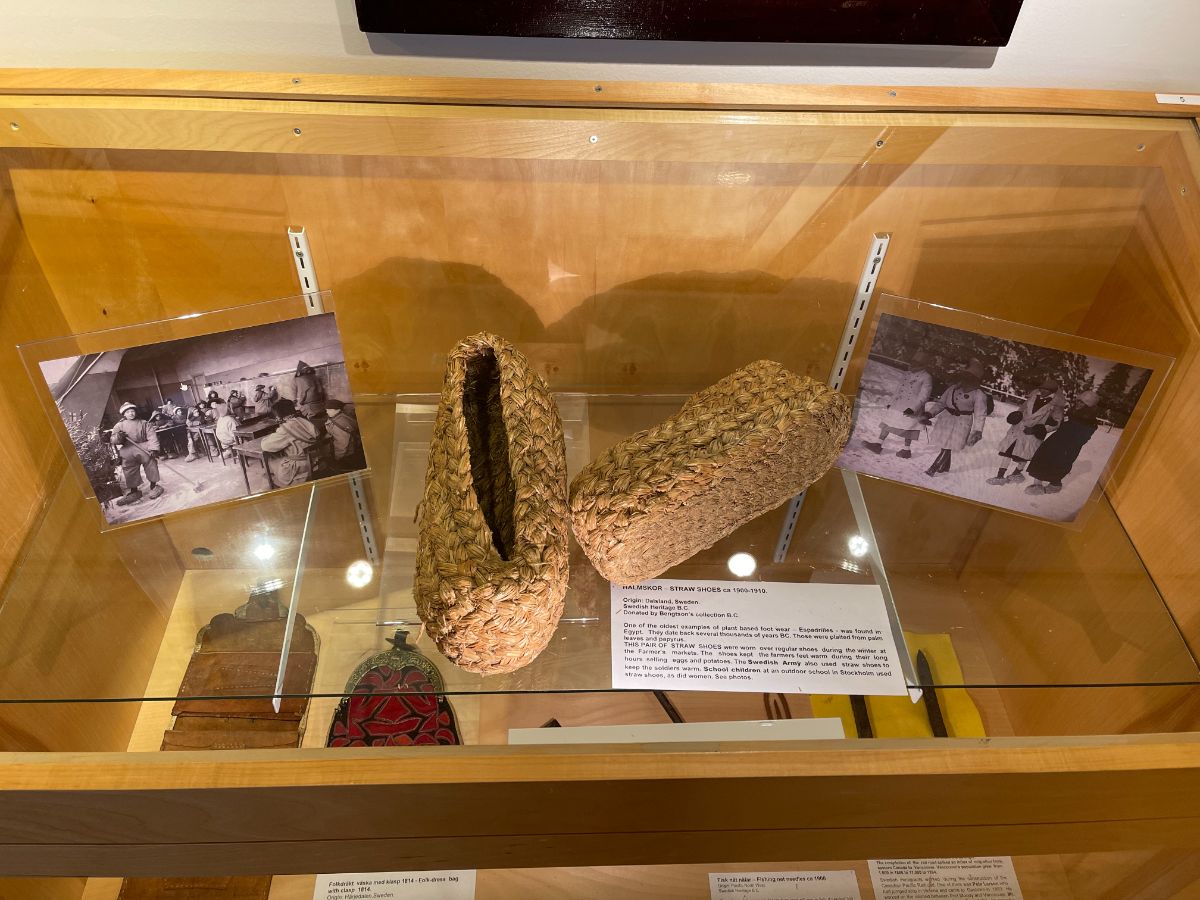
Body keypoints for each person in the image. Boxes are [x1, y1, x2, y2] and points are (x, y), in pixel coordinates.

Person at [986, 377, 1065, 486]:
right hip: (1019, 429)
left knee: (1023, 455)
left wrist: (1039, 429)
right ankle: (1000, 476)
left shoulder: (1056, 406)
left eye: (1045, 389)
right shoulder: (1033, 397)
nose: (1042, 391)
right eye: (1041, 388)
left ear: (1051, 392)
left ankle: (1016, 474)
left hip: (1033, 434)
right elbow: (1022, 410)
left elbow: (1057, 423)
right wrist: (1016, 416)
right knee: (1008, 452)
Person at [1025, 390, 1101, 495]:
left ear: (1088, 406)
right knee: (1042, 459)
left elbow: (1080, 439)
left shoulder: (1090, 422)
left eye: (1082, 402)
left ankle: (1055, 485)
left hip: (1067, 448)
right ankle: (1037, 484)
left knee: (1058, 466)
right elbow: (1062, 425)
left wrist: (1066, 447)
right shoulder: (1072, 413)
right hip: (1056, 441)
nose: (1078, 403)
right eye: (1078, 401)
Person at [862, 350, 933, 459]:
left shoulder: (926, 377)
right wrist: (891, 402)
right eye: (912, 362)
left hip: (912, 407)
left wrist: (913, 408)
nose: (912, 364)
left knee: (908, 428)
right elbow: (899, 389)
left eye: (915, 363)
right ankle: (878, 444)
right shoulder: (908, 373)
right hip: (898, 404)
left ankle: (906, 451)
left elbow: (924, 395)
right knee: (887, 423)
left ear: (922, 365)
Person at [924, 358, 988, 477]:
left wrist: (978, 430)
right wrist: (930, 413)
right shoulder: (952, 388)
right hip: (947, 419)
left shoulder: (979, 394)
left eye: (969, 377)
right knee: (946, 444)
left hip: (962, 422)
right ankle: (945, 467)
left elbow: (980, 414)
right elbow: (941, 403)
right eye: (964, 375)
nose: (965, 379)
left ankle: (933, 468)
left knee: (948, 446)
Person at [109, 402, 163, 506]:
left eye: (132, 411)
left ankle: (154, 486)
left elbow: (152, 436)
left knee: (151, 465)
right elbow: (113, 439)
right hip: (127, 450)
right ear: (124, 414)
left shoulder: (144, 423)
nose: (131, 413)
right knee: (129, 469)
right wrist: (118, 437)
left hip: (144, 447)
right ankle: (134, 491)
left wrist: (153, 449)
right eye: (128, 412)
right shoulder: (119, 425)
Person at [260, 398, 321, 486]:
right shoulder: (304, 420)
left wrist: (268, 437)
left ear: (279, 416)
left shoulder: (286, 429)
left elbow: (266, 446)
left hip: (301, 467)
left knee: (269, 471)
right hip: (316, 460)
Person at [324, 399, 363, 470]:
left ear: (337, 410)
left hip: (348, 454)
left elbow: (342, 444)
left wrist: (337, 458)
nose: (326, 412)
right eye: (326, 409)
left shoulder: (337, 424)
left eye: (329, 410)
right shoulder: (343, 416)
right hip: (355, 447)